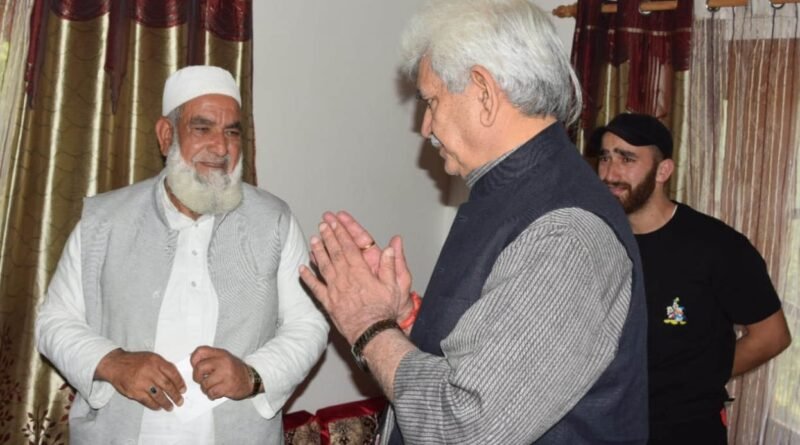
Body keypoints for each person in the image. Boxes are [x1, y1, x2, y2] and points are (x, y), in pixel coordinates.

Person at [298, 1, 649, 443]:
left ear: (483, 92)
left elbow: (467, 426)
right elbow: (488, 359)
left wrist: (368, 326)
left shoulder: (566, 234)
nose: (426, 126)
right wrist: (403, 319)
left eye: (432, 101)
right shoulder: (512, 195)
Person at [36, 65, 329, 444]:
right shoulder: (104, 221)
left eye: (232, 132)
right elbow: (54, 321)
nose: (221, 148)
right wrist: (113, 363)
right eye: (202, 128)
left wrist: (253, 374)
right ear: (166, 135)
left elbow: (308, 325)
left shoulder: (273, 220)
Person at [590, 112, 792, 444]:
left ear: (663, 171)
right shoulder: (598, 238)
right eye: (605, 157)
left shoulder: (716, 247)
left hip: (686, 429)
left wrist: (696, 380)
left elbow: (772, 336)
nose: (610, 174)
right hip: (607, 424)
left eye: (627, 159)